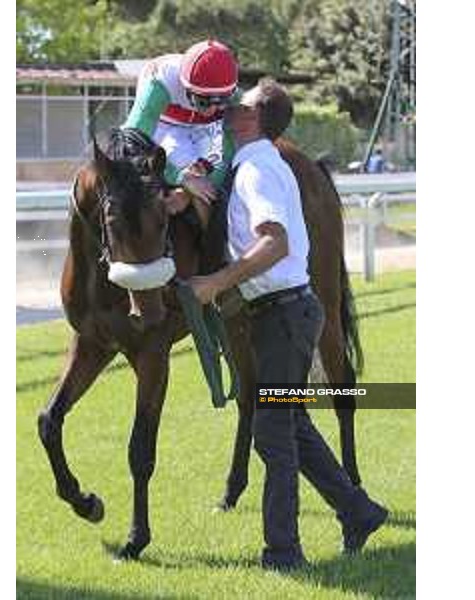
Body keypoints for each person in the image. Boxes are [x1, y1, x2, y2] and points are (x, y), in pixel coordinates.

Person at [189, 79, 388, 571]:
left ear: (253, 120)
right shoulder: (253, 165)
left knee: (273, 435)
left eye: (240, 104)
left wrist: (217, 281)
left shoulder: (257, 171)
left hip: (284, 315)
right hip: (286, 314)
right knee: (291, 423)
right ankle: (359, 511)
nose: (229, 108)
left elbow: (274, 242)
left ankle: (283, 552)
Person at [123, 39, 239, 225]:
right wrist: (180, 177)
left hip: (204, 130)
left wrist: (186, 193)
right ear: (186, 88)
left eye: (221, 102)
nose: (211, 110)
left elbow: (224, 155)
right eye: (204, 102)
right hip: (160, 124)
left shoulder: (232, 93)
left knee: (214, 189)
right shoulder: (160, 82)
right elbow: (132, 144)